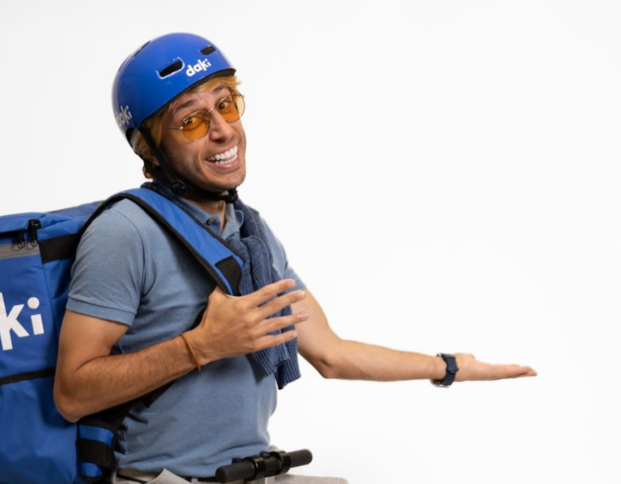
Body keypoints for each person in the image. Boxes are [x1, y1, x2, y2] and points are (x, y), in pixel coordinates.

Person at [54, 32, 536, 484]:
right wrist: (200, 346)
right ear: (152, 150)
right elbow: (72, 394)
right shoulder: (126, 232)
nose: (223, 131)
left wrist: (446, 366)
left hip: (249, 470)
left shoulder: (250, 234)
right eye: (192, 121)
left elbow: (331, 353)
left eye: (226, 105)